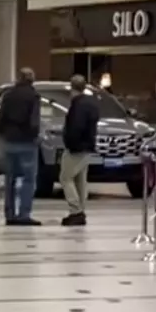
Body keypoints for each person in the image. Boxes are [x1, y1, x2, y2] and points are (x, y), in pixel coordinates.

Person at [0, 67, 41, 226]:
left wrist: (4, 135)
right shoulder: (33, 96)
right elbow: (34, 121)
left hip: (10, 142)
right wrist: (34, 136)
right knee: (28, 180)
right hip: (27, 143)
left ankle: (9, 214)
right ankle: (23, 214)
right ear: (32, 80)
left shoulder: (8, 95)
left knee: (10, 179)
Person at [60, 75, 99, 227]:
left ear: (72, 88)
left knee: (65, 178)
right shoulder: (91, 103)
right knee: (80, 180)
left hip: (76, 147)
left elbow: (75, 127)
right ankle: (81, 210)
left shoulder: (77, 105)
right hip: (88, 147)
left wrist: (70, 142)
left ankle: (76, 211)